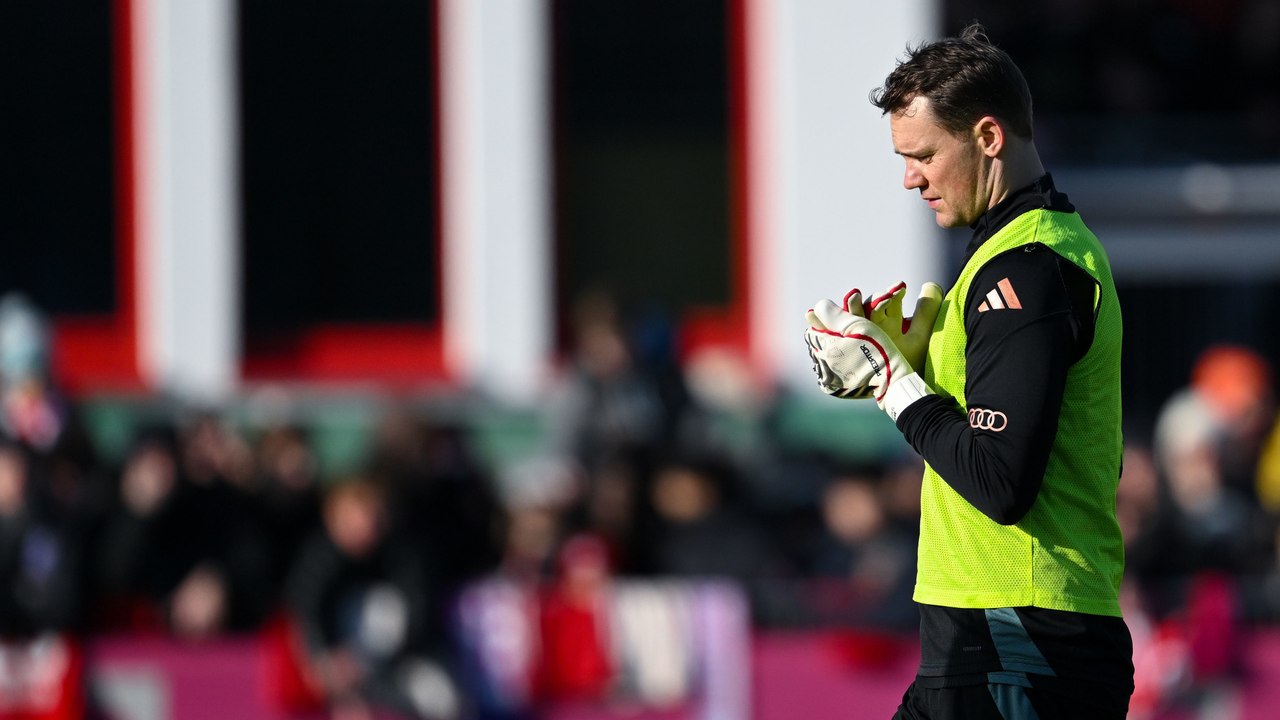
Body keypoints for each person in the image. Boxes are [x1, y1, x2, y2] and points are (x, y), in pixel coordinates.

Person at [803, 23, 1134, 719]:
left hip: (1022, 636)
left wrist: (896, 384)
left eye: (923, 155)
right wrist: (907, 371)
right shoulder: (1009, 257)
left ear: (988, 138)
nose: (909, 177)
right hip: (989, 633)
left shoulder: (1027, 271)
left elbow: (1000, 481)